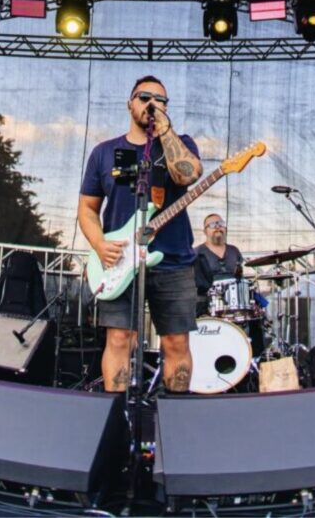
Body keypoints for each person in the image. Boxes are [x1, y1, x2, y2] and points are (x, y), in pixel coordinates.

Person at [78, 75, 203, 393]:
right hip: (119, 260)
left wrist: (165, 130)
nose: (152, 103)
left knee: (176, 342)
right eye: (144, 97)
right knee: (120, 339)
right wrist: (100, 244)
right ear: (129, 104)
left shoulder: (182, 144)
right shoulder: (104, 152)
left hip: (173, 260)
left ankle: (175, 412)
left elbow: (187, 175)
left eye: (161, 100)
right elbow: (87, 209)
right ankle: (117, 411)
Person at [194, 213, 244, 317]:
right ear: (205, 231)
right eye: (213, 224)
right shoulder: (197, 253)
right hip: (207, 306)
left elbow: (240, 277)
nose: (218, 227)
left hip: (234, 305)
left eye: (221, 224)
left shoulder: (234, 250)